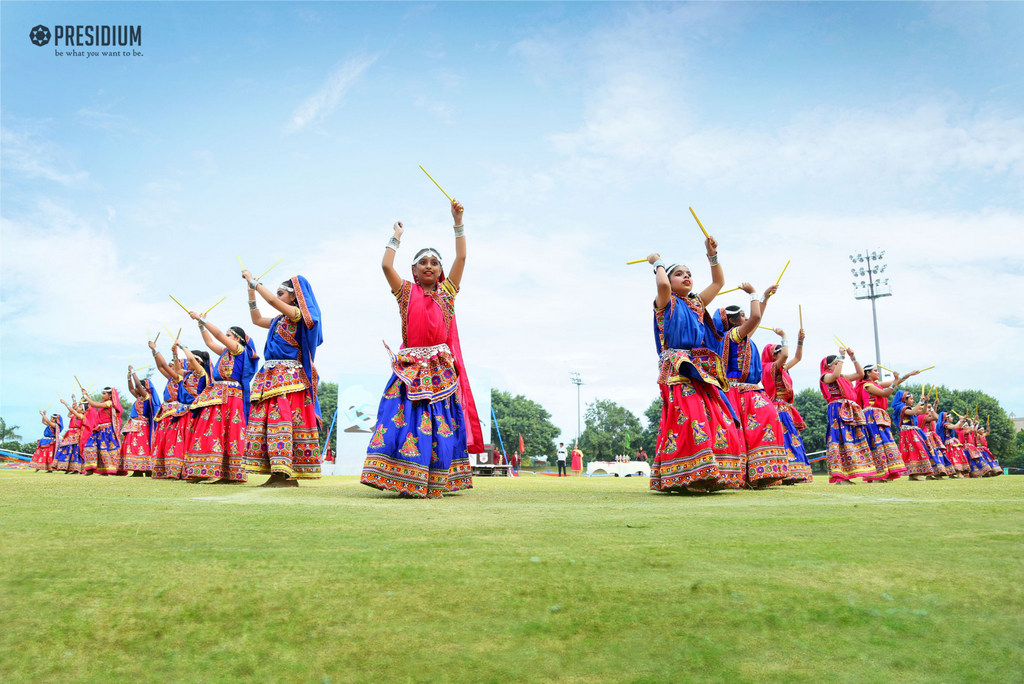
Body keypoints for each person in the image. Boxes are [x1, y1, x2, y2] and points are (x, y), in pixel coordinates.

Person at [361, 200, 483, 498]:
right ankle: (403, 477)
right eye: (422, 262)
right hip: (410, 369)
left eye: (434, 262)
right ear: (414, 271)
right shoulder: (405, 292)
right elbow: (386, 265)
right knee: (401, 418)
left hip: (440, 368)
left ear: (441, 271)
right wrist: (396, 237)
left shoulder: (448, 293)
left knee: (440, 422)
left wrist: (458, 222)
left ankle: (436, 480)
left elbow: (463, 257)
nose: (429, 265)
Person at [646, 232, 746, 493]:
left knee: (714, 416)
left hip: (697, 367)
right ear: (668, 279)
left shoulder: (696, 303)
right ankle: (690, 476)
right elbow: (663, 287)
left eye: (688, 273)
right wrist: (657, 262)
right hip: (677, 367)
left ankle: (705, 474)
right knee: (690, 416)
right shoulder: (665, 303)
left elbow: (718, 281)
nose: (686, 276)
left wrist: (711, 253)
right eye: (679, 273)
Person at [241, 272, 324, 487]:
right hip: (271, 378)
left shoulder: (298, 315)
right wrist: (250, 291)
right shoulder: (278, 320)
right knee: (269, 425)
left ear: (294, 297)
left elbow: (270, 301)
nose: (277, 297)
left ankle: (287, 475)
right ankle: (276, 473)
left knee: (284, 423)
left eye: (281, 294)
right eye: (277, 294)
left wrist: (254, 282)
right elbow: (256, 319)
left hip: (288, 378)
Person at [718, 285, 789, 488]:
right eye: (742, 315)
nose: (746, 317)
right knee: (753, 425)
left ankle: (759, 473)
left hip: (749, 390)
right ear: (732, 321)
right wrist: (753, 293)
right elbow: (755, 318)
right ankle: (743, 475)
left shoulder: (741, 335)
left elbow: (756, 318)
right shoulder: (733, 335)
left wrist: (765, 298)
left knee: (766, 419)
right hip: (737, 391)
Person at [182, 313, 259, 483]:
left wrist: (201, 319)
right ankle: (207, 469)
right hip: (218, 394)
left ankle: (231, 474)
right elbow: (210, 342)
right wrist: (201, 327)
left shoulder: (238, 349)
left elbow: (217, 336)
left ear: (237, 339)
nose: (225, 337)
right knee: (210, 428)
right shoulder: (226, 352)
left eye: (229, 335)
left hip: (231, 395)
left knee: (228, 432)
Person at [760, 330, 813, 484]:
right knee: (784, 440)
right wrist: (784, 337)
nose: (782, 354)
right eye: (778, 352)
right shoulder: (772, 368)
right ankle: (786, 474)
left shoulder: (782, 368)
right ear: (774, 356)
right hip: (777, 409)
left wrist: (800, 341)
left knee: (792, 439)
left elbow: (798, 357)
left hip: (786, 409)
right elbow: (786, 356)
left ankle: (795, 472)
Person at [818, 348, 877, 484]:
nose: (838, 365)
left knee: (851, 439)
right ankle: (841, 477)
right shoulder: (825, 376)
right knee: (841, 440)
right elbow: (835, 376)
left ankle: (846, 475)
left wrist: (853, 357)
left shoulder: (843, 377)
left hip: (849, 409)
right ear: (829, 365)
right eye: (835, 363)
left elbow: (860, 374)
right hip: (837, 409)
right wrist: (841, 357)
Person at [855, 365, 913, 482]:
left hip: (879, 416)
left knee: (885, 442)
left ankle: (886, 472)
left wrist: (908, 375)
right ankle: (877, 475)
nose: (878, 373)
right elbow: (886, 394)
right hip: (871, 416)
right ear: (868, 373)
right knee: (877, 443)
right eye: (875, 371)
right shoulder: (867, 385)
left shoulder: (876, 384)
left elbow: (894, 382)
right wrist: (894, 382)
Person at [149, 341, 191, 479]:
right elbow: (161, 366)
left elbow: (165, 366)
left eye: (174, 365)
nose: (171, 367)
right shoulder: (170, 379)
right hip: (165, 412)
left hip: (174, 411)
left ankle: (177, 469)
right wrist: (154, 353)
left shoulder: (179, 379)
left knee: (174, 441)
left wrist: (156, 350)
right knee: (164, 440)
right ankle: (165, 469)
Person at [120, 366, 161, 476]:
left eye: (140, 388)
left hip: (142, 426)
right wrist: (129, 377)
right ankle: (137, 470)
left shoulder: (146, 397)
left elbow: (137, 385)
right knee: (133, 447)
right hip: (134, 424)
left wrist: (134, 373)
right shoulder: (138, 397)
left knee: (141, 446)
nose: (137, 389)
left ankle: (146, 469)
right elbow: (131, 389)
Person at [890, 390, 936, 480]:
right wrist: (921, 401)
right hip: (908, 433)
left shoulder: (909, 408)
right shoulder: (902, 408)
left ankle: (914, 474)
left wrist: (925, 402)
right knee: (914, 451)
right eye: (911, 399)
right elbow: (913, 412)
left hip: (912, 432)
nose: (913, 401)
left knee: (918, 450)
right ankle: (914, 474)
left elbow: (923, 411)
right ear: (904, 400)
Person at [81, 387, 123, 475]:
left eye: (104, 393)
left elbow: (94, 404)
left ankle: (106, 470)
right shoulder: (103, 403)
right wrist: (86, 394)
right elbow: (94, 403)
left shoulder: (109, 403)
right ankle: (91, 468)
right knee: (89, 446)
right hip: (99, 429)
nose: (102, 395)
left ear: (110, 395)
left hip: (107, 431)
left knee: (106, 450)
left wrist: (86, 396)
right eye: (102, 393)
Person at [53, 396, 87, 473]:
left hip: (76, 434)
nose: (78, 407)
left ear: (83, 410)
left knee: (75, 451)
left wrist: (66, 403)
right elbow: (69, 414)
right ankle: (67, 467)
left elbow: (72, 410)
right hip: (70, 434)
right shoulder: (74, 416)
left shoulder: (81, 416)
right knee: (66, 449)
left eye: (80, 407)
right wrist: (73, 402)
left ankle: (76, 468)